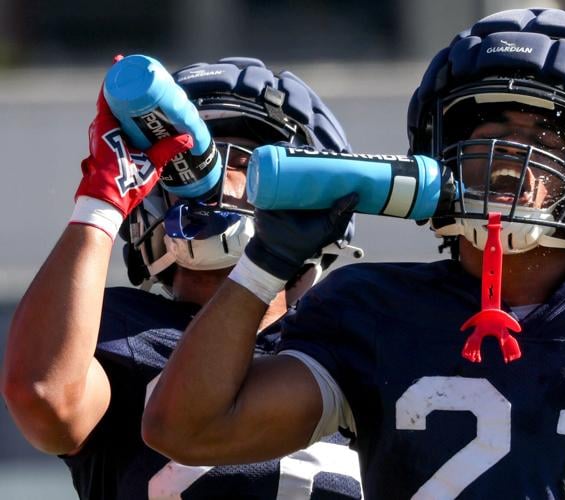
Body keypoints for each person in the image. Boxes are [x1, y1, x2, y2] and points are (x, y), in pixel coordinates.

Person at [143, 9, 565, 499]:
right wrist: (266, 263)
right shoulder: (369, 307)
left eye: (546, 137)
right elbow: (188, 430)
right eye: (488, 133)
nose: (510, 158)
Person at [1, 56, 364, 499]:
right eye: (184, 165)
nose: (209, 181)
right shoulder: (127, 331)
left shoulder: (351, 345)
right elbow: (43, 397)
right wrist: (100, 200)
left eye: (245, 161)